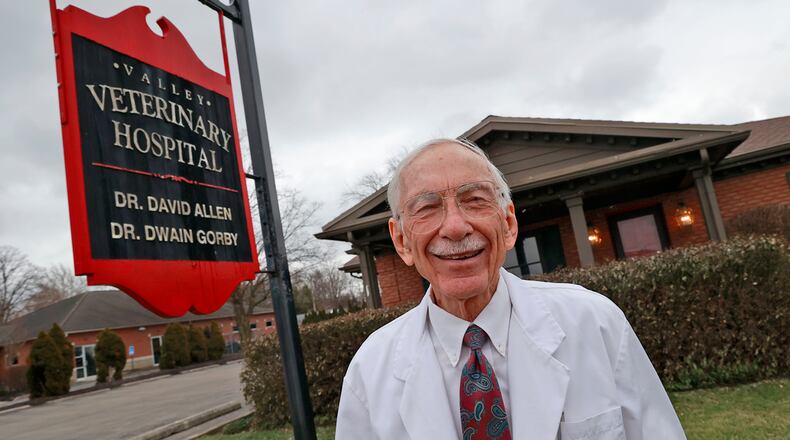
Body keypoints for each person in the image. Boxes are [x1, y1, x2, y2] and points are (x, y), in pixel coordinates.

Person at [335, 138, 686, 439]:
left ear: (508, 223)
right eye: (427, 208)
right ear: (401, 241)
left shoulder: (595, 322)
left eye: (475, 200)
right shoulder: (370, 371)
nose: (455, 227)